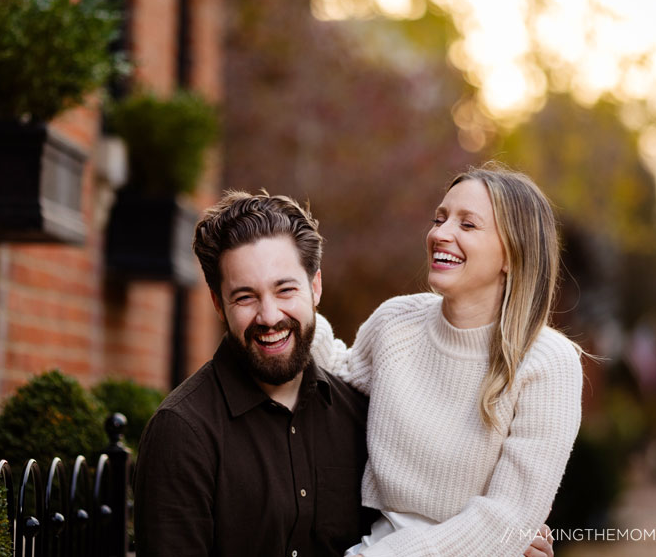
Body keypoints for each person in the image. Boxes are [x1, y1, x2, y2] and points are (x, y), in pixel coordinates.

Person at [133, 189, 557, 557]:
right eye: (245, 297)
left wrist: (506, 543)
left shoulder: (364, 416)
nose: (269, 316)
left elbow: (422, 515)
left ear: (315, 287)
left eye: (286, 290)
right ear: (216, 302)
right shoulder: (184, 432)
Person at [310, 163, 584, 556]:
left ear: (512, 253)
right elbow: (339, 369)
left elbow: (507, 518)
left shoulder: (547, 363)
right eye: (439, 219)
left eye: (467, 225)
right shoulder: (396, 324)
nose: (440, 234)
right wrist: (289, 308)